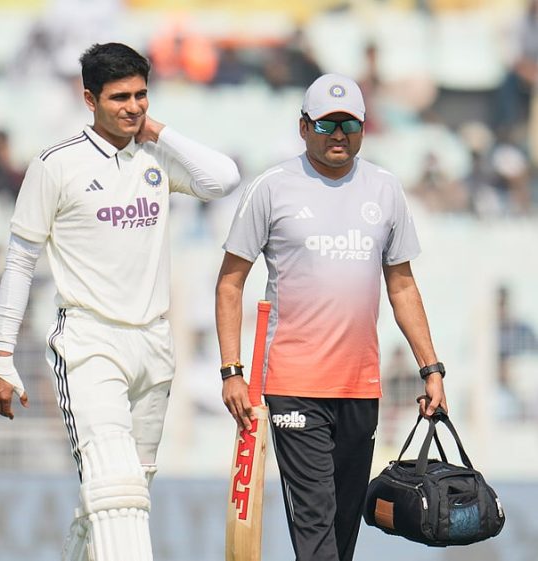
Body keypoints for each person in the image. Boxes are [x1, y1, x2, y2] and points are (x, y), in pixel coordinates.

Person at [0, 43, 240, 560]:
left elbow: (223, 179)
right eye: (120, 97)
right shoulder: (57, 165)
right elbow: (19, 262)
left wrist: (158, 132)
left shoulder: (155, 156)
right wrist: (0, 357)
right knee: (118, 492)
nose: (133, 107)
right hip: (89, 342)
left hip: (154, 343)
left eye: (142, 95)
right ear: (89, 99)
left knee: (124, 493)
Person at [215, 73, 448, 561]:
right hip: (292, 382)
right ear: (303, 127)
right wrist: (232, 371)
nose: (338, 134)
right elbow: (231, 282)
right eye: (325, 124)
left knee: (343, 528)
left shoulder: (384, 189)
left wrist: (432, 369)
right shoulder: (272, 188)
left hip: (359, 386)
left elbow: (402, 285)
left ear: (364, 128)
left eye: (349, 124)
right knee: (316, 520)